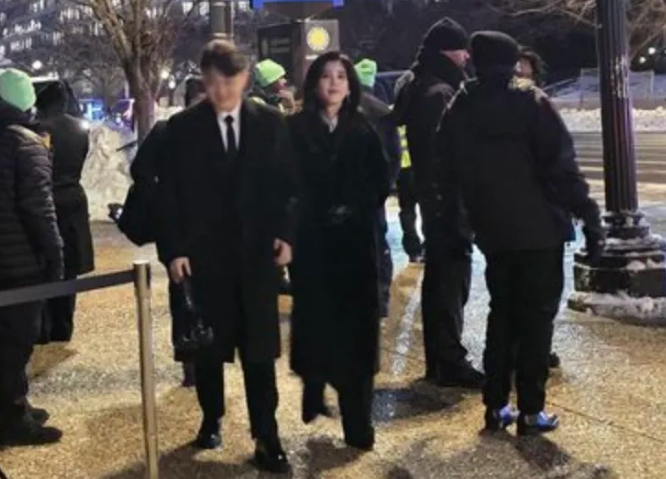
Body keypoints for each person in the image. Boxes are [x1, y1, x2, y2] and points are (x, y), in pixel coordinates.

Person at [436, 31, 604, 435]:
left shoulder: (460, 106)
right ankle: (531, 409)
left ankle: (496, 406)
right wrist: (589, 215)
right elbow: (561, 167)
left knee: (503, 315)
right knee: (536, 320)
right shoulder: (531, 101)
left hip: (493, 230)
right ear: (512, 62)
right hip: (539, 229)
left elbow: (446, 170)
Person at [157, 40, 296, 473]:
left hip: (256, 255)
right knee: (209, 347)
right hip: (205, 257)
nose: (221, 91)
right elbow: (169, 196)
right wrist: (174, 250)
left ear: (245, 79)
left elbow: (289, 185)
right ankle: (211, 416)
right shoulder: (183, 128)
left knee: (259, 350)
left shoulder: (270, 123)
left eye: (229, 81)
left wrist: (287, 235)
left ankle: (266, 433)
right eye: (213, 82)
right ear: (204, 80)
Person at [289, 52, 389, 450]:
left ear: (350, 86)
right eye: (327, 76)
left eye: (341, 77)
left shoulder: (363, 129)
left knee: (357, 337)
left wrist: (354, 207)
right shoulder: (294, 128)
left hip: (354, 246)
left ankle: (357, 420)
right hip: (312, 244)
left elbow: (381, 180)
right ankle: (314, 384)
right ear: (315, 82)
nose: (334, 83)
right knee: (316, 324)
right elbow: (284, 180)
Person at [393, 17, 483, 388]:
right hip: (447, 203)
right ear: (448, 51)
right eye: (462, 50)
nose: (466, 57)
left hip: (436, 201)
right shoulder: (439, 93)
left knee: (443, 278)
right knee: (449, 279)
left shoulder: (421, 84)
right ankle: (448, 360)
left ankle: (442, 359)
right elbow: (446, 153)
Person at [127, 76, 207, 388]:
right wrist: (161, 199)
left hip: (212, 234)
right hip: (178, 232)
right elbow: (141, 172)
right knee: (184, 297)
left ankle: (207, 355)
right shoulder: (169, 130)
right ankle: (190, 361)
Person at [0, 69, 64, 445]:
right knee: (16, 343)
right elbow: (39, 208)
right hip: (19, 263)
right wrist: (55, 256)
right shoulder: (26, 143)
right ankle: (12, 419)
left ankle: (17, 406)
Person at [35, 81, 94, 344]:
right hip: (73, 198)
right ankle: (64, 325)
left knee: (46, 264)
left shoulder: (39, 129)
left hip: (48, 199)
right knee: (70, 267)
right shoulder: (79, 129)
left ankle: (45, 328)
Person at [515, 46, 562, 371]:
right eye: (518, 74)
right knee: (526, 291)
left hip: (545, 212)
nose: (523, 79)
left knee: (543, 291)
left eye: (528, 75)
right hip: (525, 216)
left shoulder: (543, 109)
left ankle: (534, 348)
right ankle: (527, 352)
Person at [355, 58, 401, 318]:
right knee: (377, 242)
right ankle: (379, 299)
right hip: (372, 194)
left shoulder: (343, 110)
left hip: (355, 193)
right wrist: (384, 186)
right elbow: (393, 155)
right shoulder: (381, 110)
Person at [396, 125, 424, 263]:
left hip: (403, 170)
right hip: (418, 167)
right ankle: (421, 249)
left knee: (407, 211)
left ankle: (414, 251)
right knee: (427, 210)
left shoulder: (392, 118)